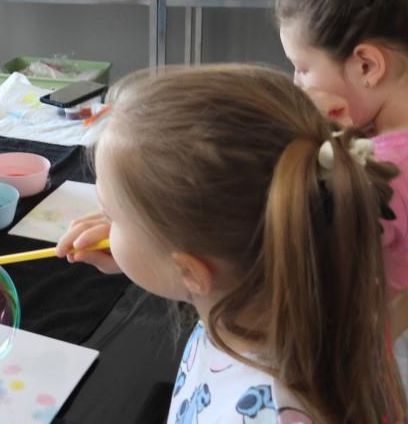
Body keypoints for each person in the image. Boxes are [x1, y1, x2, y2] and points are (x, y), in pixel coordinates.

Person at [58, 65, 405, 422]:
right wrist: (147, 246)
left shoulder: (270, 410)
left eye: (110, 214)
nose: (104, 223)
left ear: (190, 271)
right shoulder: (305, 300)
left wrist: (146, 246)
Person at [276, 0, 408, 379]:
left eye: (302, 67)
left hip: (354, 370)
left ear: (367, 66)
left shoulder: (380, 174)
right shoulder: (378, 136)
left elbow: (291, 255)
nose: (296, 84)